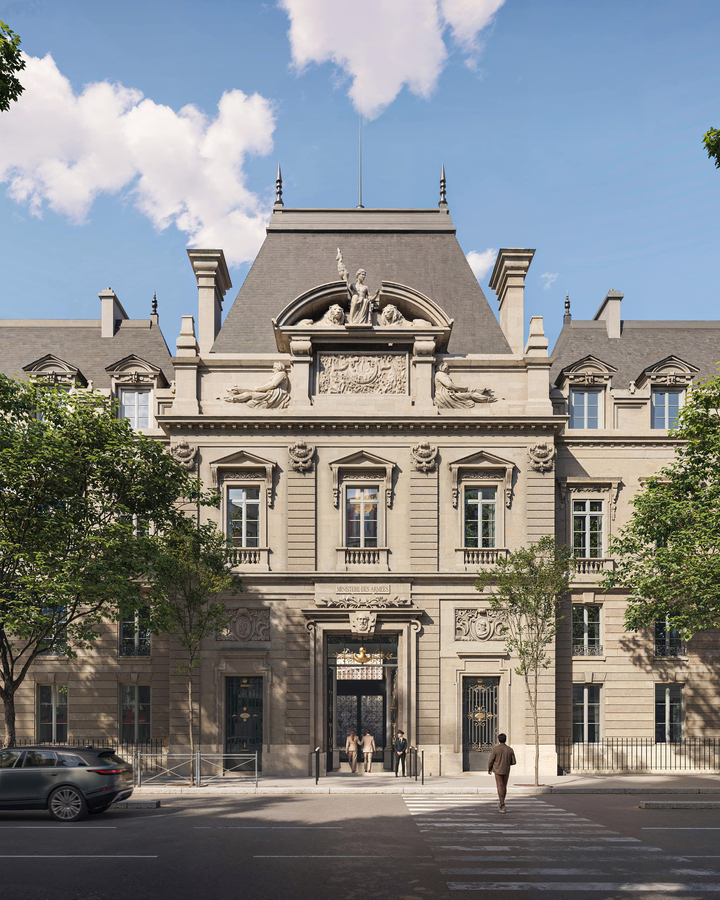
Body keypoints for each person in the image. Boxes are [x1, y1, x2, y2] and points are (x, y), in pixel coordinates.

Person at [487, 733, 516, 813]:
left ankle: (502, 804)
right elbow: (513, 762)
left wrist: (489, 769)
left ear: (498, 740)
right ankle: (502, 802)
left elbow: (491, 760)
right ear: (505, 739)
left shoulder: (495, 749)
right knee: (504, 786)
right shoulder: (510, 749)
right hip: (506, 769)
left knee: (499, 785)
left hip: (497, 770)